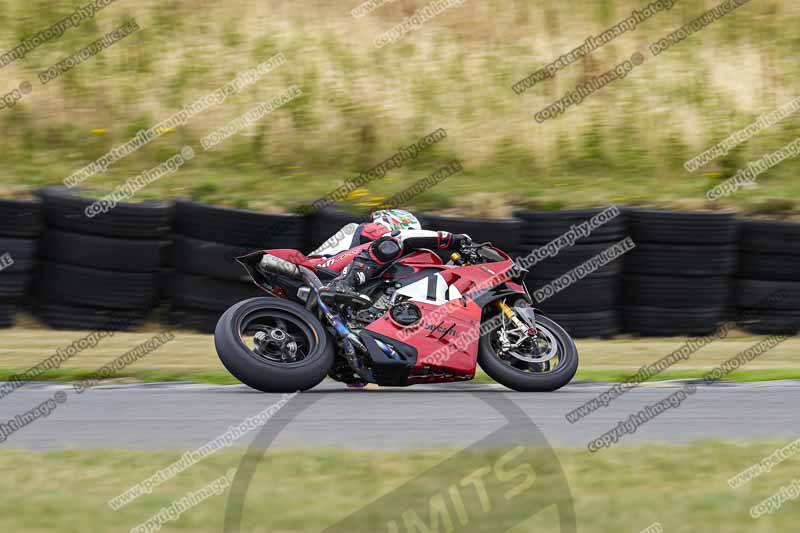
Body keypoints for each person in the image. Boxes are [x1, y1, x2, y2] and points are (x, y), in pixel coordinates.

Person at [316, 209, 471, 298]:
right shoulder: (370, 229)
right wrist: (453, 240)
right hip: (321, 270)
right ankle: (344, 284)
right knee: (389, 243)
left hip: (328, 271)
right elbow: (401, 237)